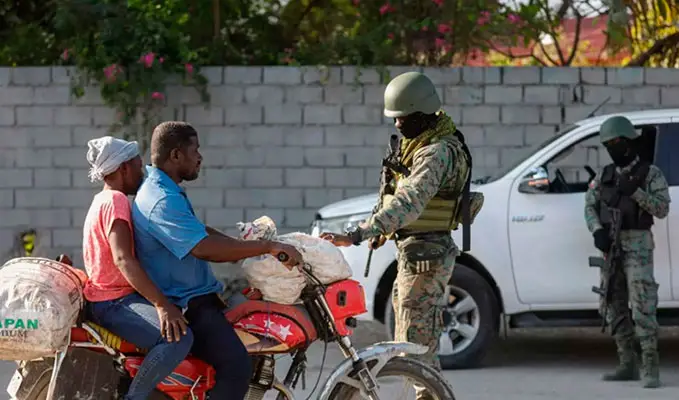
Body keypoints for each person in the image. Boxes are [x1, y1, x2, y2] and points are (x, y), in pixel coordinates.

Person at [320, 71, 480, 400]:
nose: (397, 125)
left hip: (427, 257)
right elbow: (395, 196)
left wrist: (359, 232)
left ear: (421, 114)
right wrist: (381, 228)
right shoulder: (420, 143)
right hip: (417, 253)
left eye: (402, 118)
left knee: (416, 348)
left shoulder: (435, 152)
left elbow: (409, 201)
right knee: (415, 340)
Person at [131, 121, 304, 400]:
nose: (200, 157)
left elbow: (198, 231)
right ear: (176, 155)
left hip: (198, 297)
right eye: (195, 150)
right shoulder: (161, 199)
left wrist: (244, 246)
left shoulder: (163, 188)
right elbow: (203, 248)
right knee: (237, 366)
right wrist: (268, 246)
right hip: (187, 305)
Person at [82, 136, 192, 400]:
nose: (142, 173)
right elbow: (123, 260)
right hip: (113, 302)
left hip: (111, 299)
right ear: (123, 169)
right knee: (178, 338)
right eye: (138, 166)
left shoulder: (101, 200)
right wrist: (162, 305)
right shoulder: (116, 201)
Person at [584, 116, 671, 389]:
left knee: (643, 304)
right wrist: (597, 230)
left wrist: (636, 192)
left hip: (638, 245)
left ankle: (650, 366)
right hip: (611, 245)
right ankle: (627, 363)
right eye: (608, 145)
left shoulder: (650, 174)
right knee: (614, 303)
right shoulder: (605, 175)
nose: (612, 148)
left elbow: (662, 209)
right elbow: (589, 205)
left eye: (616, 143)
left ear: (629, 141)